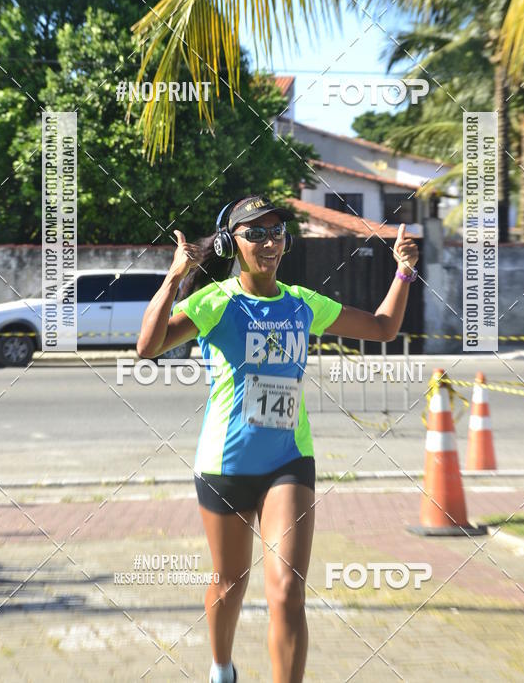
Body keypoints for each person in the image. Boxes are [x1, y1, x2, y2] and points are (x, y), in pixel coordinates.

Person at [137, 194, 419, 683]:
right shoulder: (214, 302)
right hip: (225, 464)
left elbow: (383, 327)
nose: (269, 242)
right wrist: (173, 277)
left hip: (289, 461)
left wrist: (403, 272)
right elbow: (147, 347)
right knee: (230, 582)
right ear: (232, 243)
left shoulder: (302, 303)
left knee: (287, 590)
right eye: (255, 233)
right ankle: (222, 666)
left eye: (276, 232)